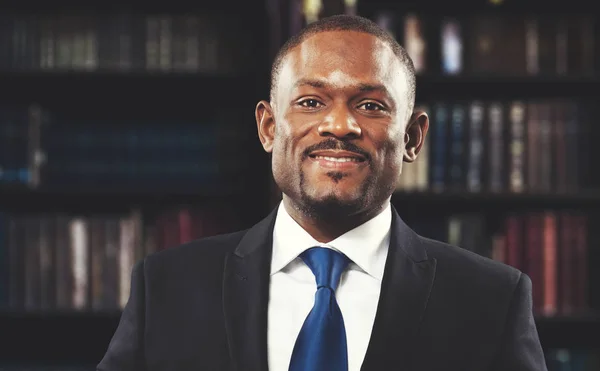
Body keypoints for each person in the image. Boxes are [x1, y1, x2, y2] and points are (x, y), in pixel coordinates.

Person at [97, 14, 547, 371]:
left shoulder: (491, 301)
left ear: (412, 138)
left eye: (370, 105)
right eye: (311, 102)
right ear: (269, 127)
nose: (339, 126)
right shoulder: (166, 288)